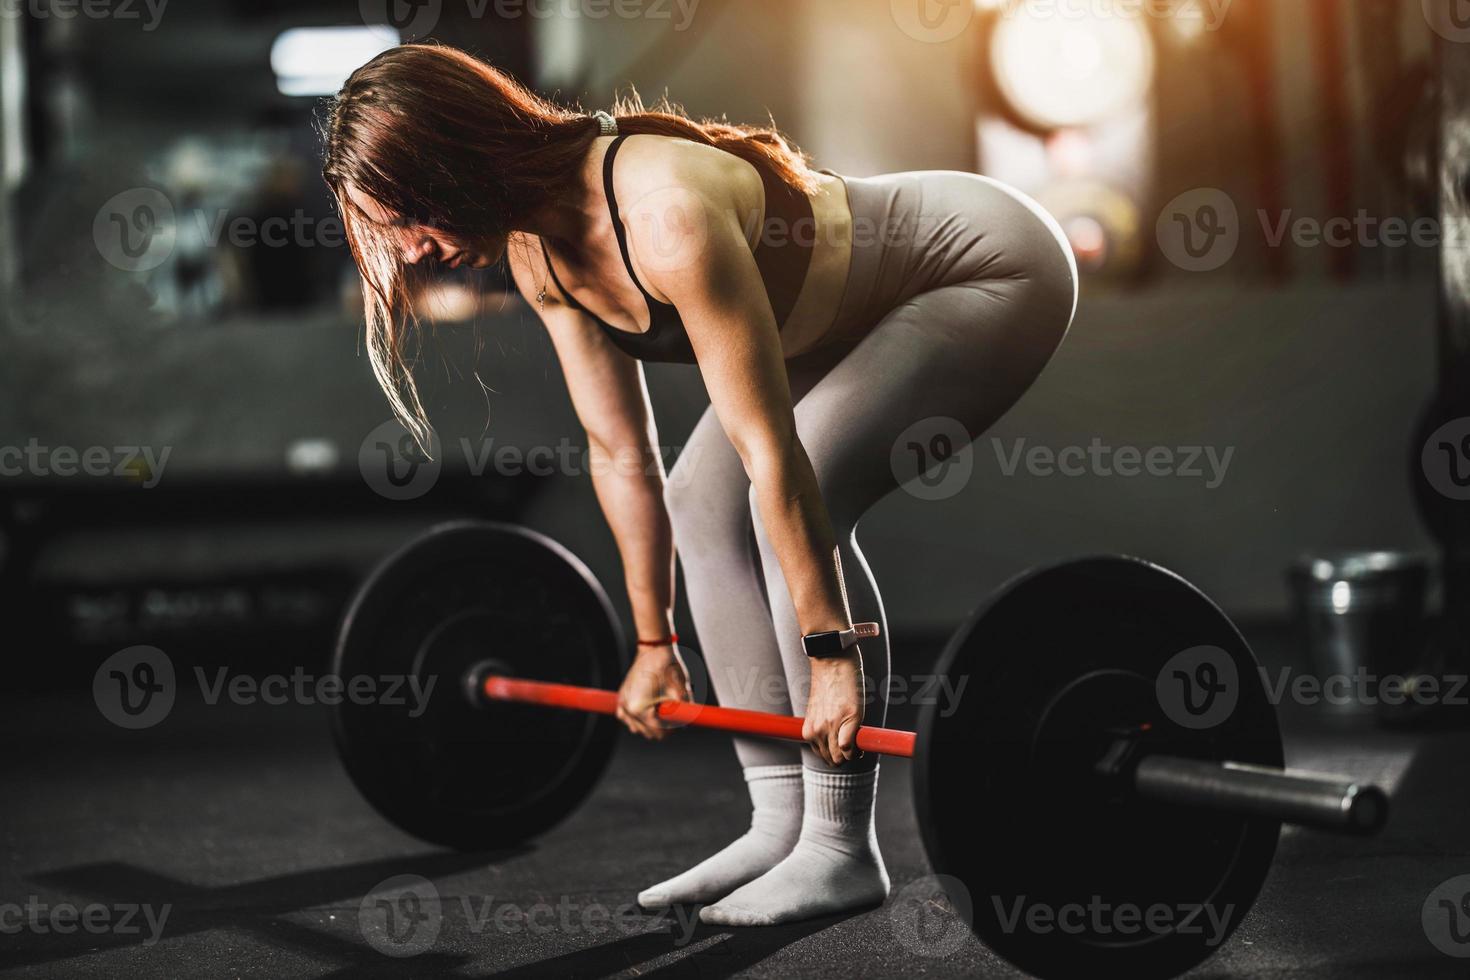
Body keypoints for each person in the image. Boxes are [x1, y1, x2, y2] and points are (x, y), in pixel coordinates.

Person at [322, 43, 1077, 927]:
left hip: (984, 262)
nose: (410, 249)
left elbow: (775, 454)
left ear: (457, 158)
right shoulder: (540, 257)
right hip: (842, 318)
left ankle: (838, 848)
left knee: (805, 480)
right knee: (700, 500)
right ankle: (779, 821)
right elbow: (620, 450)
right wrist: (651, 641)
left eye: (408, 213)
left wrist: (834, 660)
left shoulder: (664, 212)